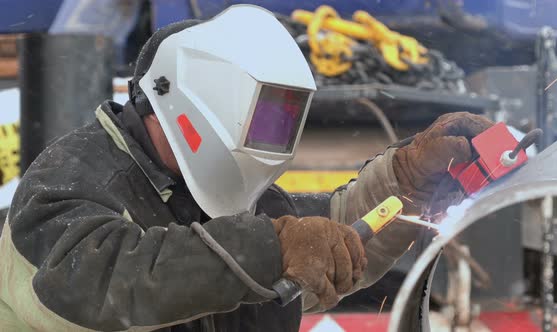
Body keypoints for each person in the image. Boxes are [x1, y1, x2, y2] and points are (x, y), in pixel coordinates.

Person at [0, 5, 494, 332]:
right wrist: (272, 249)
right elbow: (103, 281)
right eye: (262, 116)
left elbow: (328, 240)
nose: (270, 137)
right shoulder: (69, 181)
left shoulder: (228, 199)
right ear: (197, 100)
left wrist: (406, 181)